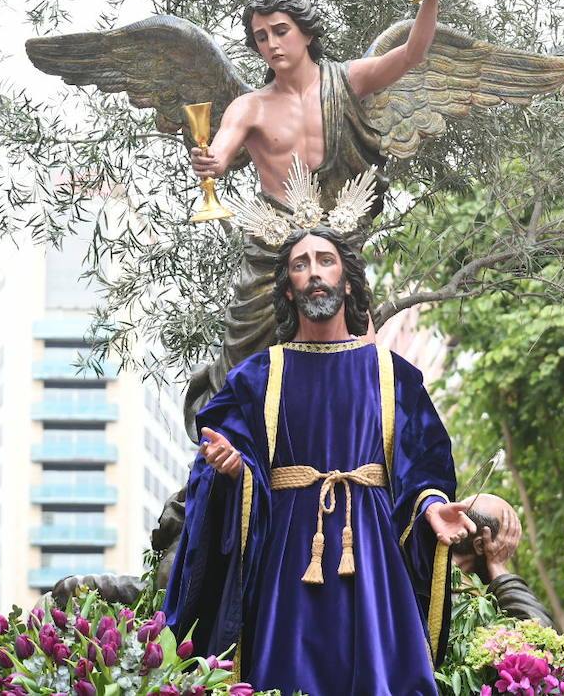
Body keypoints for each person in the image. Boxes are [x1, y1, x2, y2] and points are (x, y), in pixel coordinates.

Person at [163, 226, 476, 695]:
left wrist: (432, 506)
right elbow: (222, 447)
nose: (314, 273)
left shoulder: (392, 374)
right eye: (300, 264)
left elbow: (424, 460)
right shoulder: (259, 376)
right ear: (288, 288)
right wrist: (230, 465)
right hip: (287, 557)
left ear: (347, 280)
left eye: (325, 261)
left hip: (370, 554)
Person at [182, 0, 441, 417]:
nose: (272, 43)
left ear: (305, 33)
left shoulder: (346, 81)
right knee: (243, 356)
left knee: (358, 357)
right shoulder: (250, 106)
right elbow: (219, 157)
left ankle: (365, 440)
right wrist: (207, 161)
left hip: (335, 243)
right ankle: (227, 451)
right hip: (272, 247)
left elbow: (411, 56)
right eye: (261, 37)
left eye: (280, 31)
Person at [451, 494, 558, 629]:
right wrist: (497, 566)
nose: (507, 556)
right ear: (480, 545)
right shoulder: (457, 601)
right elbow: (539, 637)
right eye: (505, 547)